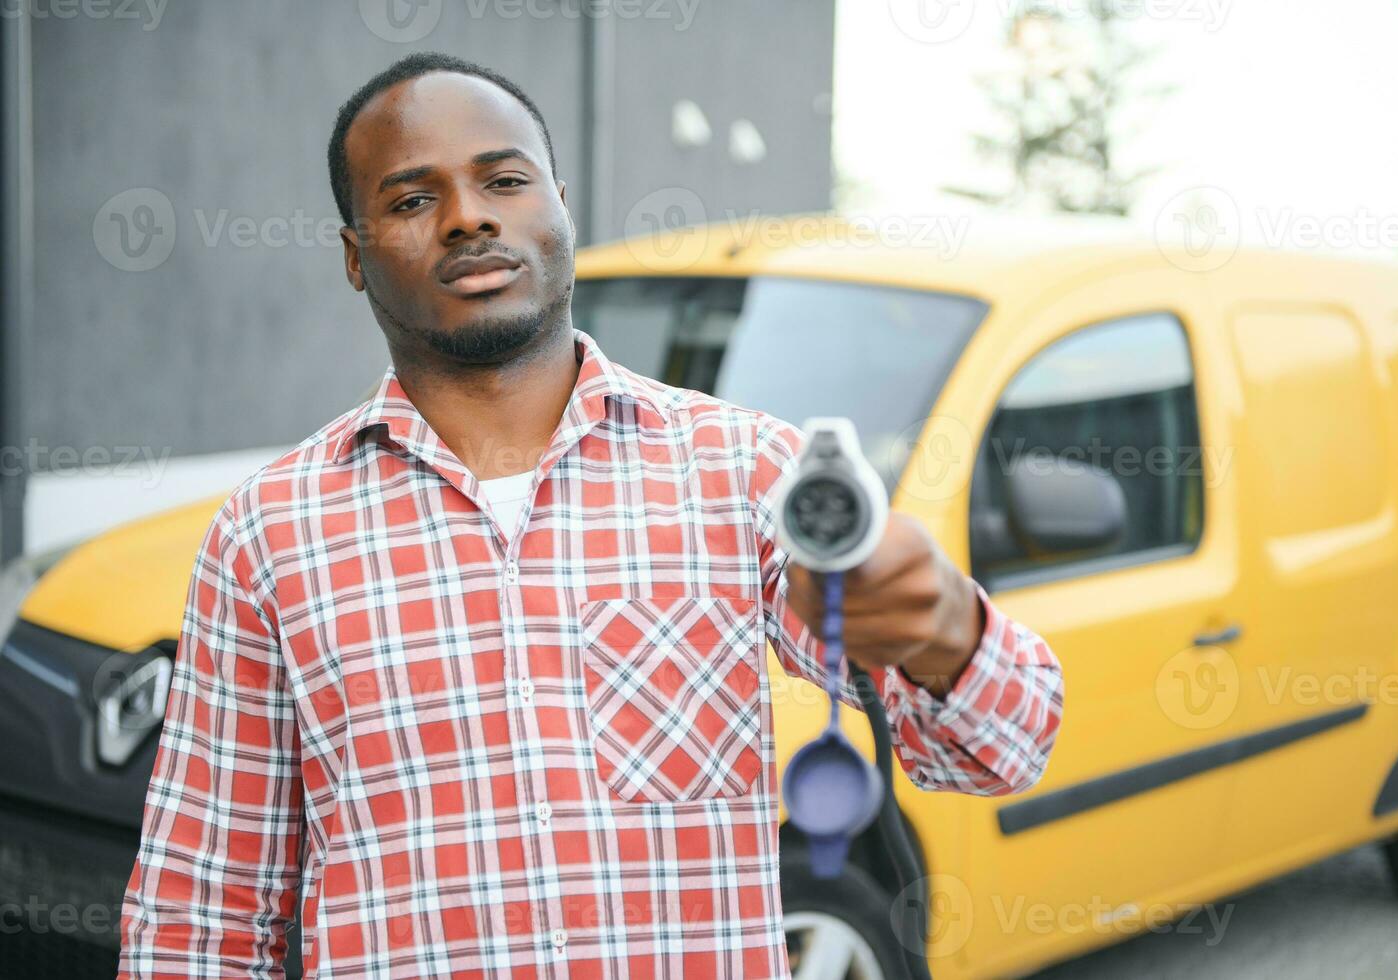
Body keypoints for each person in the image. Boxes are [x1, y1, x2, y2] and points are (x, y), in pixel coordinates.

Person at [117, 51, 1063, 979]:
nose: (468, 217)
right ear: (355, 258)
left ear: (560, 203)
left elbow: (1000, 753)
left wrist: (945, 627)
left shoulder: (750, 474)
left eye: (506, 179)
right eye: (412, 200)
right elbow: (200, 911)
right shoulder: (267, 536)